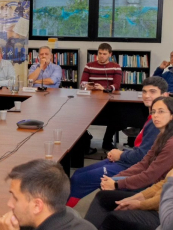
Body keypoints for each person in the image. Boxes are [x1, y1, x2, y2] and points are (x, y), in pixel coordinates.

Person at [67, 76, 168, 207]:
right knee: (79, 173)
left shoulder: (158, 122)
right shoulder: (152, 117)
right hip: (132, 160)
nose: (147, 95)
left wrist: (120, 155)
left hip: (136, 167)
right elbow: (143, 150)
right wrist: (122, 153)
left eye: (152, 92)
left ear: (165, 95)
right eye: (144, 91)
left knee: (80, 179)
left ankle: (59, 216)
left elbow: (143, 157)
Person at [100, 96, 173, 193]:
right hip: (152, 183)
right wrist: (115, 178)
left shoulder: (171, 143)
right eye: (153, 112)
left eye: (161, 111)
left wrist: (117, 184)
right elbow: (144, 164)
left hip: (159, 191)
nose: (155, 115)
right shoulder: (162, 136)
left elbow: (150, 175)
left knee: (104, 194)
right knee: (105, 189)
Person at [85, 179, 164, 230]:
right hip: (158, 208)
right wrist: (129, 200)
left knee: (112, 218)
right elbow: (158, 187)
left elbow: (162, 198)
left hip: (164, 218)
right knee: (103, 197)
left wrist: (139, 204)